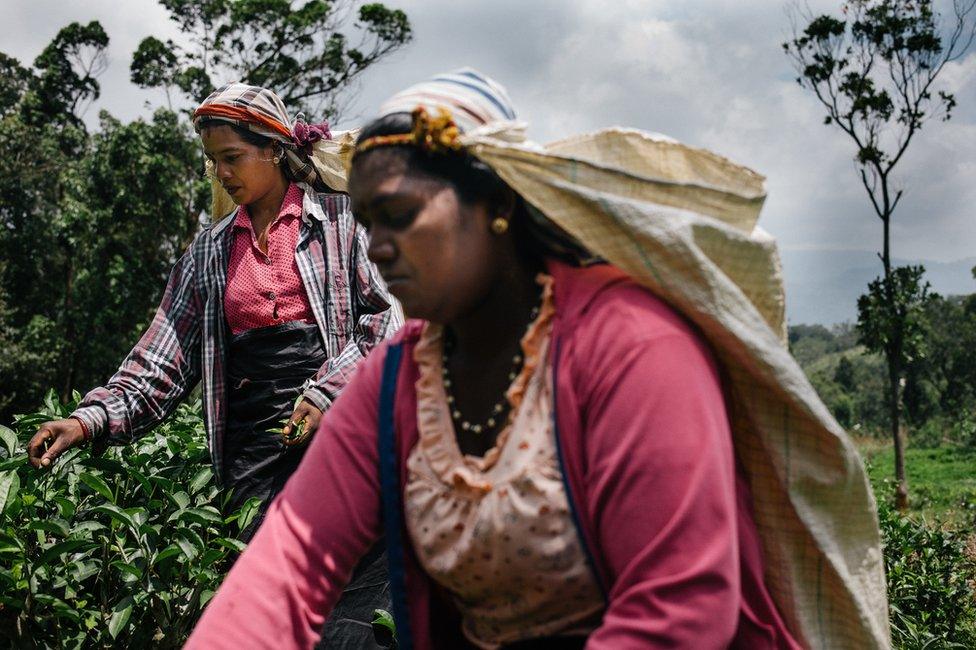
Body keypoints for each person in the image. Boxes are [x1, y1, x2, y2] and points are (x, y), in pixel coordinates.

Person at [187, 70, 889, 649]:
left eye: (400, 215)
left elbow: (677, 609)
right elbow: (286, 569)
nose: (374, 246)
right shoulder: (396, 383)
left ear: (493, 203)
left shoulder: (631, 349)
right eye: (367, 223)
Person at [27, 82, 400, 648]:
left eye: (233, 158)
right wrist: (87, 420)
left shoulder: (344, 222)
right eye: (212, 161)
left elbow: (385, 321)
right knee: (270, 618)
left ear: (274, 148)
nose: (221, 174)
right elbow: (162, 358)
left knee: (356, 618)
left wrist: (327, 393)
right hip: (252, 460)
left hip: (343, 443)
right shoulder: (210, 252)